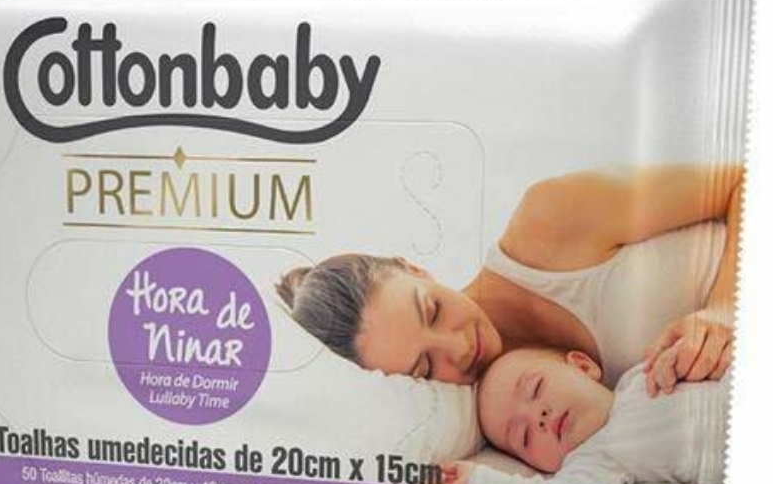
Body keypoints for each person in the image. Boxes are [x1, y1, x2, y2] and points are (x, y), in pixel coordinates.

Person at [276, 165, 742, 396]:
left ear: (414, 268)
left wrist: (725, 311)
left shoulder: (548, 220)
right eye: (425, 368)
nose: (458, 349)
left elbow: (741, 179)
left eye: (432, 310)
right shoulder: (508, 413)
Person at [438, 347, 726, 484]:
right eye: (524, 436)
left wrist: (683, 356)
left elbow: (710, 353)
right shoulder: (593, 460)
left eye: (536, 388)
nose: (538, 418)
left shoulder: (643, 374)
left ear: (583, 366)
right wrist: (480, 482)